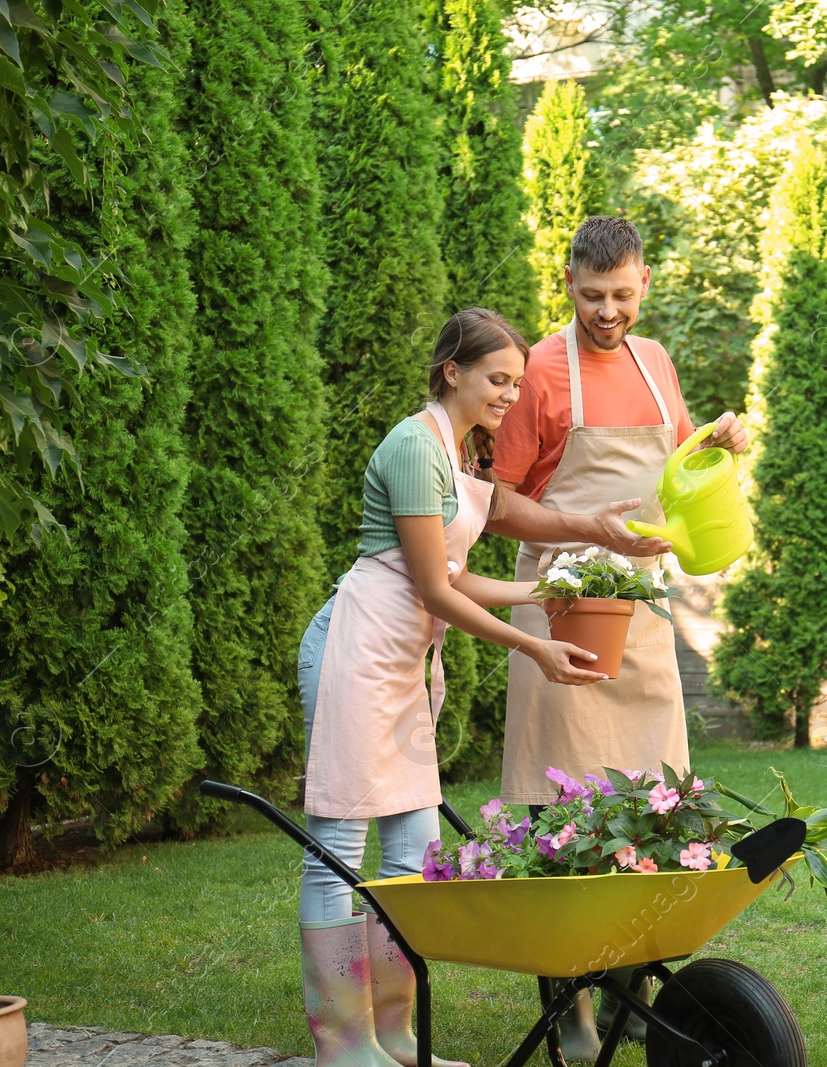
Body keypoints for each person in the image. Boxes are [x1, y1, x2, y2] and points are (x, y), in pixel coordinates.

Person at [295, 308, 667, 1067]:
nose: (509, 394)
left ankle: (395, 1036)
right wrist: (533, 643)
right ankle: (342, 1043)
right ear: (451, 371)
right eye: (498, 379)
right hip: (355, 650)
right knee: (337, 846)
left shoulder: (457, 455)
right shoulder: (413, 446)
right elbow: (436, 587)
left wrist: (594, 534)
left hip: (402, 661)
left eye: (516, 382)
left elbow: (504, 519)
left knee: (412, 850)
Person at [492, 216, 749, 1058]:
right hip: (560, 605)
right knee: (563, 812)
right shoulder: (536, 369)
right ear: (568, 281)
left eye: (624, 295)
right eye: (593, 295)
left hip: (641, 612)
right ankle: (570, 1010)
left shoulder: (656, 361)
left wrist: (714, 441)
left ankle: (634, 1002)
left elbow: (673, 468)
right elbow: (496, 506)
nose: (609, 312)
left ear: (645, 283)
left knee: (648, 814)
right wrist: (591, 530)